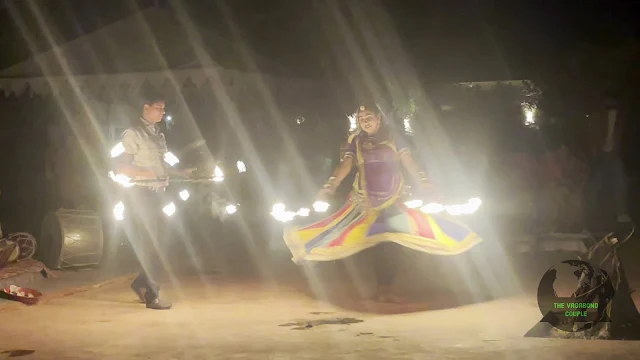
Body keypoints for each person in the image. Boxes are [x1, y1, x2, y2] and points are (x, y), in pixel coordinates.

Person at [284, 101, 483, 303]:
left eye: (369, 117)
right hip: (365, 202)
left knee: (398, 241)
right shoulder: (356, 140)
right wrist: (329, 187)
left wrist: (427, 185)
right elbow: (345, 165)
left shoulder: (394, 137)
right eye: (361, 119)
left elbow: (411, 164)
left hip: (394, 199)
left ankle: (386, 288)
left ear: (379, 118)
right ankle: (379, 288)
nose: (365, 122)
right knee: (371, 242)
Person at [114, 91, 191, 310]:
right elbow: (120, 167)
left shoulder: (157, 134)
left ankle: (141, 283)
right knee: (152, 245)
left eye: (163, 108)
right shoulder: (131, 134)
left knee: (161, 244)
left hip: (158, 194)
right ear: (145, 108)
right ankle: (152, 296)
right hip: (140, 194)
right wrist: (144, 173)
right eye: (158, 108)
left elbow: (163, 164)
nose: (162, 112)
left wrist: (180, 172)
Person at [584, 92, 632, 232]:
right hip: (600, 155)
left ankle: (617, 212)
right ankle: (591, 215)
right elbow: (598, 138)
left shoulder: (614, 117)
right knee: (599, 181)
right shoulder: (597, 117)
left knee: (616, 179)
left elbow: (614, 139)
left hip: (607, 154)